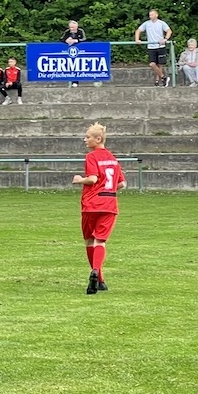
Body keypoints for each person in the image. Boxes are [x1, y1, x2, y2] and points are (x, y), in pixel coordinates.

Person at [72, 122, 126, 293]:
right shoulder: (113, 159)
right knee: (100, 240)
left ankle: (97, 275)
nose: (85, 139)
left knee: (89, 240)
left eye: (87, 137)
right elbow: (122, 184)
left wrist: (79, 180)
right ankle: (99, 278)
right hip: (110, 204)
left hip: (92, 204)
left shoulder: (92, 157)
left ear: (98, 139)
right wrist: (107, 190)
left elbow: (93, 179)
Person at [134, 8, 172, 86]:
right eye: (150, 15)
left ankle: (158, 81)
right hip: (151, 47)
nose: (150, 16)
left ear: (156, 15)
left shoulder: (161, 23)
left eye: (152, 15)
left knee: (160, 64)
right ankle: (163, 77)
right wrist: (137, 39)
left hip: (160, 46)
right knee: (152, 64)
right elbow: (138, 31)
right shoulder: (147, 23)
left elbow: (169, 31)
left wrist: (165, 39)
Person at [62, 20, 86, 86]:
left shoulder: (80, 31)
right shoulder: (67, 32)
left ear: (76, 27)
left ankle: (76, 81)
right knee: (70, 66)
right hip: (68, 52)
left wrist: (76, 40)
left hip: (80, 51)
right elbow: (62, 39)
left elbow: (84, 39)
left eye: (72, 27)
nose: (71, 29)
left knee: (78, 66)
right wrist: (66, 40)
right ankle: (71, 81)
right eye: (70, 27)